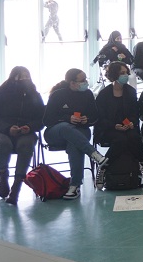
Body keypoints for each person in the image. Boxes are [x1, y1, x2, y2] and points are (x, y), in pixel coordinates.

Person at [43, 68, 108, 200]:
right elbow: (47, 120)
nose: (86, 82)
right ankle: (94, 154)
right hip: (56, 132)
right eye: (82, 80)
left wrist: (86, 120)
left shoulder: (88, 94)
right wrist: (67, 118)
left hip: (80, 130)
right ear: (72, 83)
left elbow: (95, 116)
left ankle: (75, 186)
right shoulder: (57, 95)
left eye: (86, 79)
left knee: (75, 144)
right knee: (66, 128)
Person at [0, 67, 44, 205]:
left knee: (26, 145)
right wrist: (7, 128)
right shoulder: (0, 94)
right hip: (2, 131)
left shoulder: (35, 95)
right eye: (21, 77)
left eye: (27, 77)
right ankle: (3, 173)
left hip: (25, 132)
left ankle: (17, 186)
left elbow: (41, 119)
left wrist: (30, 127)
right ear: (13, 78)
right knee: (2, 144)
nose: (24, 80)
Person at [94, 62, 143, 190]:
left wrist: (132, 122)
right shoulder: (104, 94)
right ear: (114, 75)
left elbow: (135, 112)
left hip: (127, 126)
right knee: (121, 140)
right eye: (122, 73)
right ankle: (103, 167)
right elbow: (100, 117)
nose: (126, 75)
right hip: (108, 128)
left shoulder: (130, 91)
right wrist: (114, 126)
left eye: (126, 73)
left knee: (134, 137)